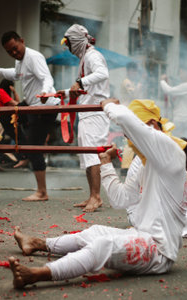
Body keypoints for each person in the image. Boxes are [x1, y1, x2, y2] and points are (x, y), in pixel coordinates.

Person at [6, 98, 187, 289]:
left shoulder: (171, 150)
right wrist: (106, 163)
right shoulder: (142, 160)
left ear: (153, 125)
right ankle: (38, 243)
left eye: (133, 134)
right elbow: (121, 199)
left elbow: (124, 117)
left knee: (102, 246)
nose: (131, 141)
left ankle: (36, 274)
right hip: (141, 234)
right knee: (94, 232)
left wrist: (108, 104)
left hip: (160, 251)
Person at [0, 31, 59, 201]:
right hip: (31, 104)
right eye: (10, 52)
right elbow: (15, 75)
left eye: (15, 49)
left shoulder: (33, 57)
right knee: (7, 116)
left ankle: (42, 191)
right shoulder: (20, 60)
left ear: (22, 41)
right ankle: (25, 152)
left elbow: (47, 77)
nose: (14, 53)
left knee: (34, 146)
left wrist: (45, 92)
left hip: (44, 106)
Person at [58, 24, 110, 212]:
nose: (69, 48)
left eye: (69, 43)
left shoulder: (93, 56)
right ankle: (92, 195)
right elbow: (83, 88)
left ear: (77, 41)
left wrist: (80, 81)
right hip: (87, 111)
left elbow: (103, 74)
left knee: (91, 154)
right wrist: (61, 93)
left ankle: (96, 197)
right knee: (87, 156)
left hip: (95, 112)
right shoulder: (86, 58)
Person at [160, 68, 187, 141]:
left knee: (177, 141)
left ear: (186, 72)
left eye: (181, 73)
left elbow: (169, 90)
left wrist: (162, 81)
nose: (180, 76)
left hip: (182, 119)